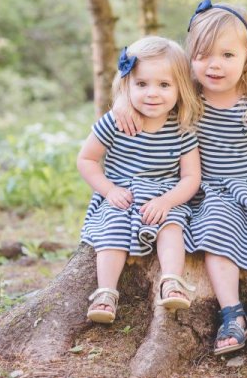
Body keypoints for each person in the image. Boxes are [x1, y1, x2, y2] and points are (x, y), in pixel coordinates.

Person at [113, 0, 247, 356]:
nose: (215, 65)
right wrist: (120, 102)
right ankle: (232, 314)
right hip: (211, 191)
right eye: (203, 55)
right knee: (215, 231)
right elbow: (145, 90)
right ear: (189, 58)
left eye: (227, 56)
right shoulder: (184, 98)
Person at [77, 36, 202, 324]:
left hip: (164, 197)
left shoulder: (182, 128)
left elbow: (191, 177)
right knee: (111, 230)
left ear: (180, 88)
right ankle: (106, 293)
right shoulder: (116, 121)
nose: (152, 93)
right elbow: (86, 159)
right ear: (127, 85)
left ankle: (171, 281)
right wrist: (108, 191)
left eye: (164, 85)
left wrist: (167, 201)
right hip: (124, 194)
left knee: (172, 226)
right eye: (142, 84)